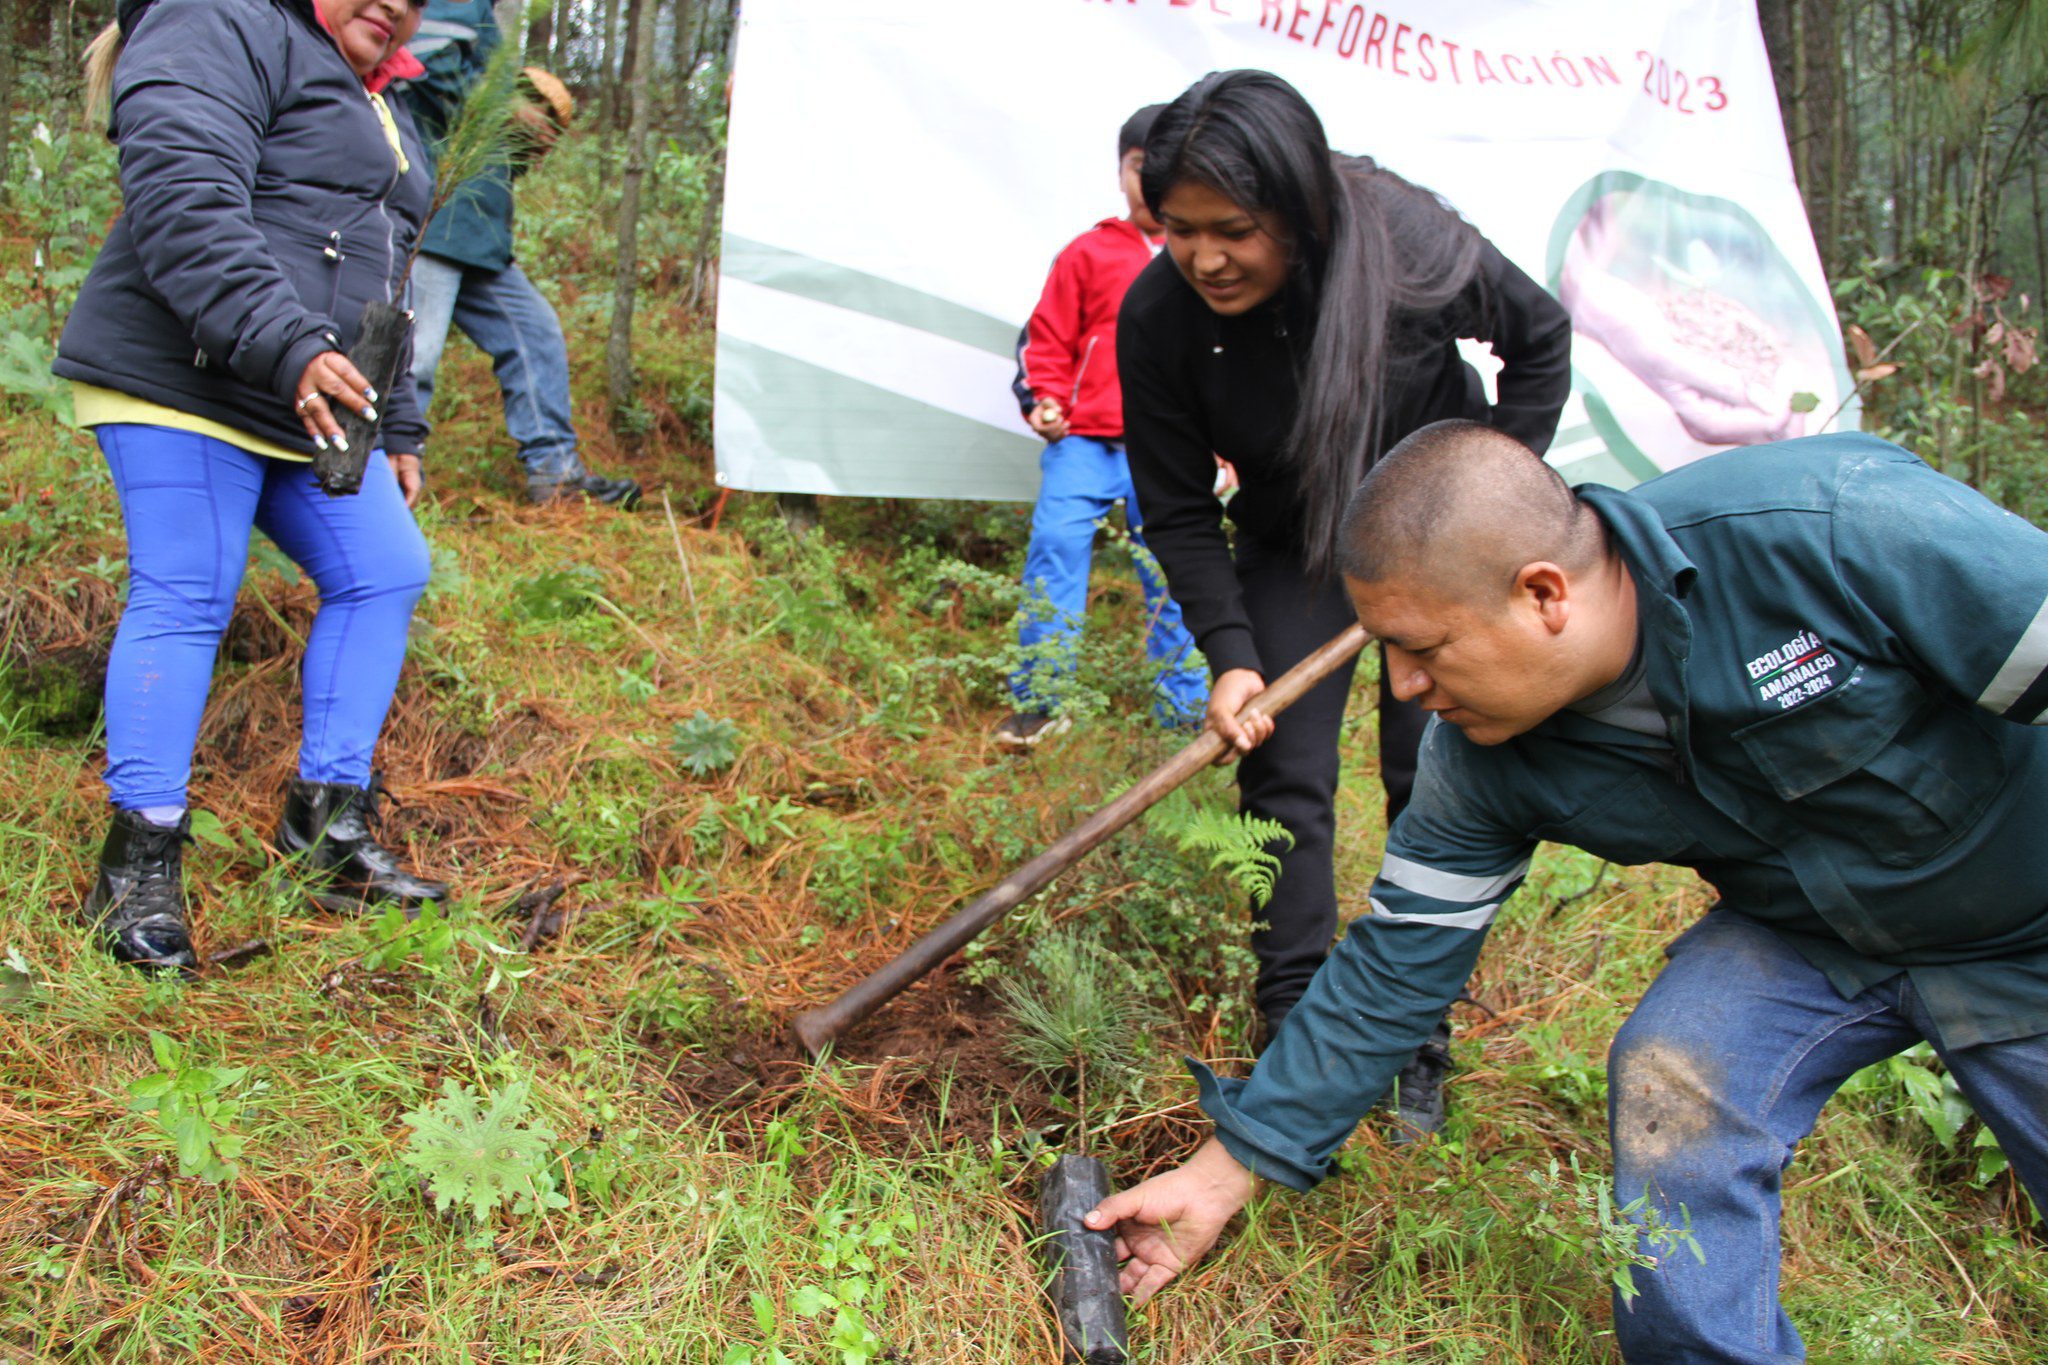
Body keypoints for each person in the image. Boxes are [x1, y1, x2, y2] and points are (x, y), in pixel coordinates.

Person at [1088, 424, 2048, 1362]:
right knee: (1678, 1069)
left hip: (2028, 925)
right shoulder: (1477, 756)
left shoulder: (1824, 530)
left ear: (1543, 594)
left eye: (1421, 646)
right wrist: (1224, 1173)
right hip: (1808, 933)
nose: (1405, 685)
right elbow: (1394, 967)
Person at [1118, 70, 1572, 1129]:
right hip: (1293, 542)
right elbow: (1178, 510)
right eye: (1177, 230)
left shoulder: (1400, 243)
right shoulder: (1160, 315)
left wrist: (1485, 505)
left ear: (1298, 209)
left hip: (1434, 541)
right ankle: (1290, 1036)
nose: (1204, 259)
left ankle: (1415, 1034)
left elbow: (1536, 337)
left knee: (1432, 777)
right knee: (1283, 774)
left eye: (1232, 228)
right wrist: (1232, 657)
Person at [56, 0, 451, 974]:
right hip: (181, 377)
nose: (395, 3)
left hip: (299, 394)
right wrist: (287, 347)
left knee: (386, 569)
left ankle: (328, 829)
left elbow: (380, 270)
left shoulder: (380, 97)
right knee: (191, 587)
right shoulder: (221, 19)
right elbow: (181, 197)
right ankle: (137, 868)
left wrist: (394, 422)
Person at [994, 103, 1209, 749]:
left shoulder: (1201, 253)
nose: (1149, 179)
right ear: (1122, 171)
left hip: (1169, 447)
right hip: (1084, 440)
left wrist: (1223, 449)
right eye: (1138, 165)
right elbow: (1047, 338)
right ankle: (1041, 701)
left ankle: (1185, 712)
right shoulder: (1088, 252)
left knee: (1177, 568)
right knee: (1055, 550)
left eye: (1162, 166)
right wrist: (1044, 400)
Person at [399, 1, 642, 508]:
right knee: (414, 359)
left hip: (482, 237)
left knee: (535, 334)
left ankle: (555, 477)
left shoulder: (491, 17)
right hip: (436, 220)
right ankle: (387, 480)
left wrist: (520, 137)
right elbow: (421, 61)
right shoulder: (454, 3)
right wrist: (498, 110)